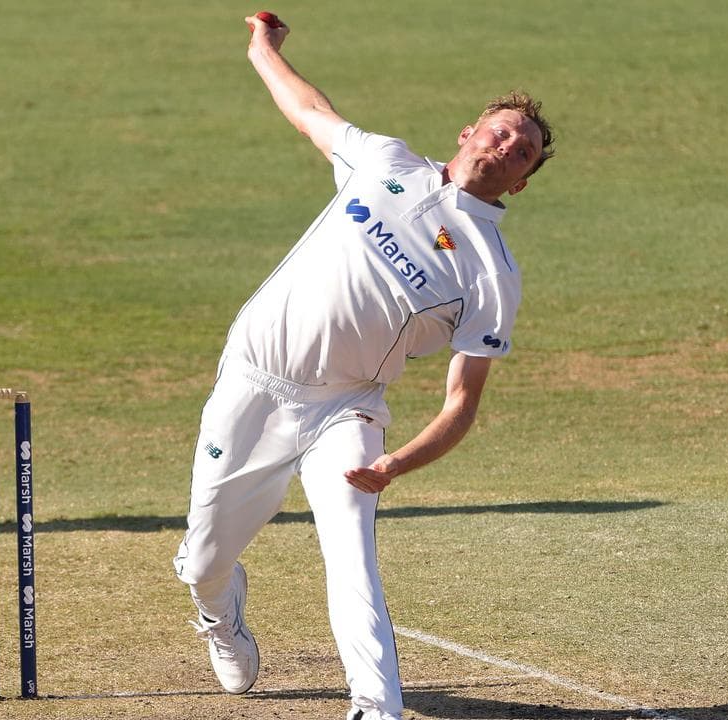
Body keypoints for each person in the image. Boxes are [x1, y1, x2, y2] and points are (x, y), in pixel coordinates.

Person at [172, 12, 555, 720]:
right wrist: (261, 48)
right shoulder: (385, 162)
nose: (507, 146)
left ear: (523, 181)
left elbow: (461, 404)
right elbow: (309, 111)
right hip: (254, 381)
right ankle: (221, 615)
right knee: (202, 563)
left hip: (345, 411)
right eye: (500, 131)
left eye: (523, 151)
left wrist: (396, 465)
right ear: (468, 134)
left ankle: (375, 710)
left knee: (352, 557)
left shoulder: (492, 273)